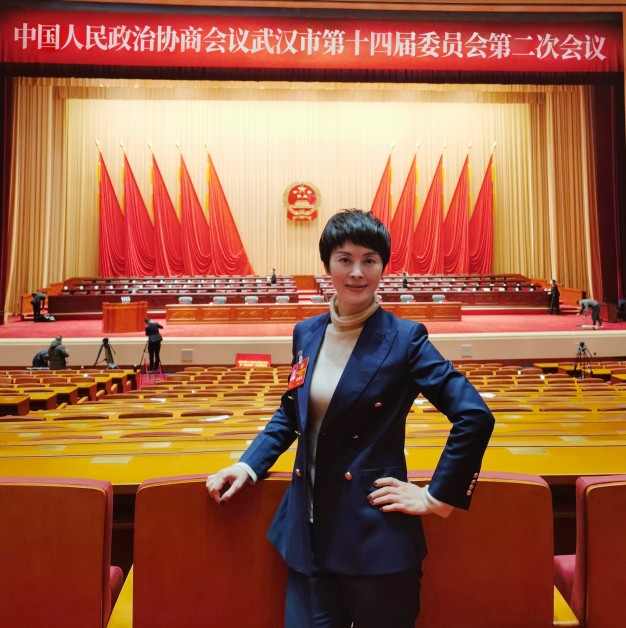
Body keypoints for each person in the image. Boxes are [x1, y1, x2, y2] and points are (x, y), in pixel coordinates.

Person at [207, 210, 495, 628]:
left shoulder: (405, 339)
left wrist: (437, 498)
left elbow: (474, 415)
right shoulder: (306, 333)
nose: (357, 272)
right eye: (345, 259)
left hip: (374, 537)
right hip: (306, 535)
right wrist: (248, 465)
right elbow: (292, 412)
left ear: (383, 267)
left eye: (369, 260)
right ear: (328, 265)